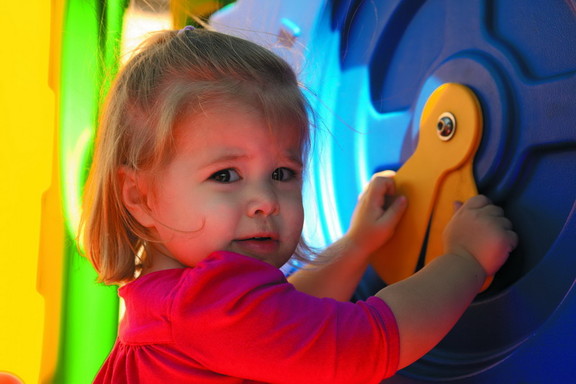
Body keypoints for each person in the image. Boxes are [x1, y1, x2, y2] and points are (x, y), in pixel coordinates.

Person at [80, 27, 517, 384]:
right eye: (226, 175)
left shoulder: (174, 307)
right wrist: (465, 259)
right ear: (140, 197)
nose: (265, 201)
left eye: (282, 174)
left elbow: (290, 323)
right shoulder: (202, 306)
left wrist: (358, 246)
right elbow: (365, 345)